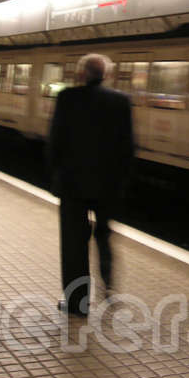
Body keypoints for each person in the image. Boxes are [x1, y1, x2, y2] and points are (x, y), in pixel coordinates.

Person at [48, 53, 134, 316]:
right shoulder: (121, 101)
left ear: (81, 74)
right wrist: (120, 182)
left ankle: (78, 303)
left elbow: (55, 142)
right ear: (105, 75)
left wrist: (56, 175)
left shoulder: (67, 98)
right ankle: (108, 290)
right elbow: (127, 147)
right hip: (107, 186)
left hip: (73, 185)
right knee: (105, 238)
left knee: (74, 244)